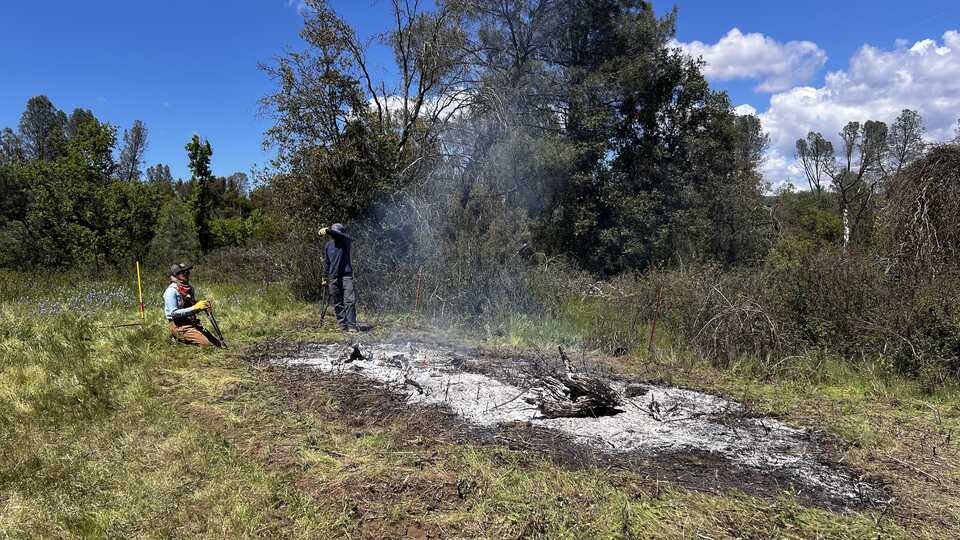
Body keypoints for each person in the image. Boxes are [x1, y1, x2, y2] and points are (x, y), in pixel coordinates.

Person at [163, 262, 223, 347]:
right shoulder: (171, 291)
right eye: (184, 272)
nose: (187, 274)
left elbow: (190, 305)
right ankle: (177, 339)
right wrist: (195, 308)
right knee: (208, 346)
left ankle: (182, 339)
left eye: (188, 271)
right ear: (176, 275)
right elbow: (173, 313)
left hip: (192, 322)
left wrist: (201, 304)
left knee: (217, 344)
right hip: (179, 326)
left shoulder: (189, 288)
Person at [320, 223, 358, 332]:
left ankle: (352, 326)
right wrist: (324, 277)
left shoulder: (345, 241)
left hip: (346, 276)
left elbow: (340, 235)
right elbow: (327, 263)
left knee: (349, 301)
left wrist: (327, 230)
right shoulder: (328, 245)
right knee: (337, 302)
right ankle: (343, 325)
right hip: (333, 277)